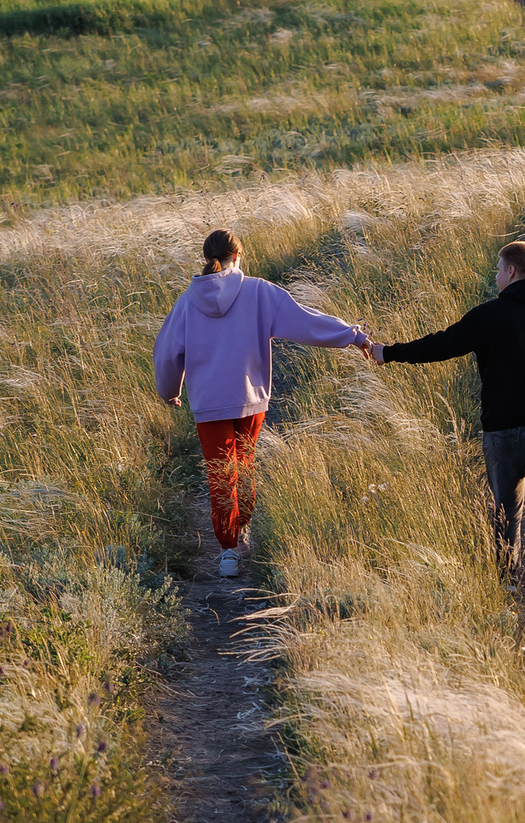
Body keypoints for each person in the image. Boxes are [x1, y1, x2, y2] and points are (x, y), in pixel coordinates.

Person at [366, 240, 525, 611]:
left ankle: (506, 582)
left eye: (499, 270)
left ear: (512, 272)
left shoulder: (490, 315)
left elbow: (442, 345)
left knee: (505, 505)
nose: (497, 276)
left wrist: (388, 352)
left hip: (504, 427)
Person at [153, 228, 376, 579]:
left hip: (209, 402)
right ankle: (242, 531)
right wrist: (352, 335)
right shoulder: (259, 291)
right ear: (238, 256)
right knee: (244, 464)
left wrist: (170, 391)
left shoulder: (186, 301)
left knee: (220, 473)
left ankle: (228, 550)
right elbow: (307, 321)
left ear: (207, 257)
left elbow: (168, 352)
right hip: (250, 400)